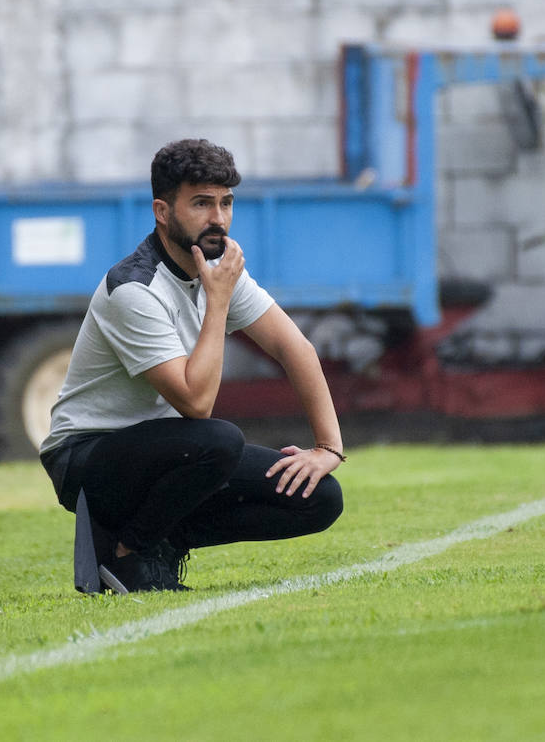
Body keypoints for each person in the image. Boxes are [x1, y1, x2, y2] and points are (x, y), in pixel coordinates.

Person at [39, 139, 345, 593]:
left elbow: (293, 347)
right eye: (201, 203)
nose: (218, 218)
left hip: (172, 454)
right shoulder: (134, 288)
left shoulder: (217, 270)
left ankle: (157, 543)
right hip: (87, 459)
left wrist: (327, 449)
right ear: (163, 211)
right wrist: (217, 302)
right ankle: (128, 556)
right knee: (217, 438)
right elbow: (196, 403)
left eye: (226, 203)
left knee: (317, 498)